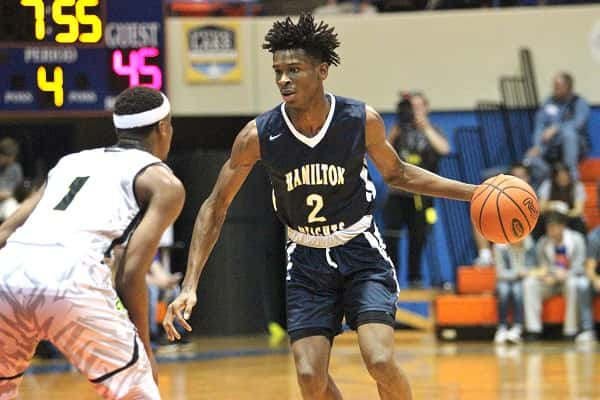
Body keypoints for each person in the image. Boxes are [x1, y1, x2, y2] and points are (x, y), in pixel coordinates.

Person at [163, 14, 478, 400]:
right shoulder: (258, 135)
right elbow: (215, 206)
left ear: (322, 70)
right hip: (307, 261)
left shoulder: (359, 120)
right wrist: (190, 284)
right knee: (310, 378)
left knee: (379, 360)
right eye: (278, 70)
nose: (283, 79)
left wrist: (474, 193)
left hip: (360, 253)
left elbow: (398, 174)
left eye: (294, 70)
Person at [0, 86, 185, 399]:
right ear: (163, 128)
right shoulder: (164, 183)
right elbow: (129, 274)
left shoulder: (71, 162)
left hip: (8, 273)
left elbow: (5, 232)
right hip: (73, 278)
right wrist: (145, 350)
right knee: (136, 391)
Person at [383, 92, 450, 287]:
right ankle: (390, 278)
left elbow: (444, 149)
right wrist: (393, 133)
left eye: (419, 107)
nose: (414, 111)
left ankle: (415, 278)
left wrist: (426, 127)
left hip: (423, 194)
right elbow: (381, 154)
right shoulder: (399, 130)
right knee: (391, 236)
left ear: (426, 108)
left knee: (418, 236)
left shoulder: (433, 129)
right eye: (411, 107)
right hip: (397, 192)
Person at [522, 206, 594, 342]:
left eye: (554, 227)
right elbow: (541, 266)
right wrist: (548, 274)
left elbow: (580, 266)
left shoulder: (577, 240)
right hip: (551, 281)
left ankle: (570, 331)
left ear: (562, 226)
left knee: (573, 284)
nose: (551, 231)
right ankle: (533, 330)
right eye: (549, 228)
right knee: (529, 283)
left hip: (569, 278)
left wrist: (566, 273)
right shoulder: (543, 242)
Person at [524, 72, 590, 187]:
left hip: (576, 145)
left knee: (568, 134)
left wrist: (557, 128)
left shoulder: (579, 102)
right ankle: (548, 178)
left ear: (568, 87)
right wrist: (537, 145)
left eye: (558, 86)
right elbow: (539, 125)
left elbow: (578, 124)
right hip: (551, 145)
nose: (554, 89)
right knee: (529, 158)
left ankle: (572, 176)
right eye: (554, 86)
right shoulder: (548, 102)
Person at [473, 163, 531, 265]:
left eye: (522, 177)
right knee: (480, 216)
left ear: (528, 178)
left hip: (529, 240)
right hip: (506, 240)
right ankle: (485, 254)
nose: (520, 180)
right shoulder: (500, 198)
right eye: (516, 177)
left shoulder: (534, 195)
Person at [493, 235, 536, 344]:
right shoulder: (499, 246)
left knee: (518, 291)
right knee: (503, 290)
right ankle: (502, 327)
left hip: (521, 280)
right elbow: (500, 273)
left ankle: (518, 326)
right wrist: (517, 273)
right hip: (505, 279)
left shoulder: (529, 244)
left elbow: (532, 268)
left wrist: (524, 273)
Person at [532, 162, 587, 239]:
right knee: (539, 221)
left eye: (565, 176)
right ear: (554, 177)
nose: (563, 178)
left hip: (570, 216)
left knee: (578, 222)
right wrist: (555, 205)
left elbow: (578, 210)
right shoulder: (548, 185)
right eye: (559, 177)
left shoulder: (577, 186)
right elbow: (541, 208)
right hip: (551, 217)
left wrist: (565, 213)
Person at [581, 226, 600, 342]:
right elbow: (589, 267)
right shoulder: (594, 236)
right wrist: (595, 279)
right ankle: (588, 330)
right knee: (583, 286)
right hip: (598, 277)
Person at [0, 137, 24, 222]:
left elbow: (20, 190)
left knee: (12, 209)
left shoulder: (15, 167)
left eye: (13, 157)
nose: (11, 160)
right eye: (9, 157)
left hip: (10, 202)